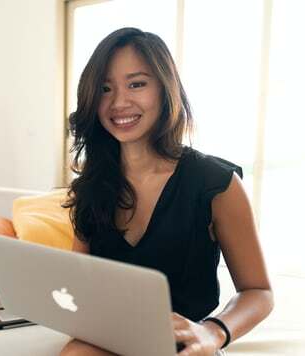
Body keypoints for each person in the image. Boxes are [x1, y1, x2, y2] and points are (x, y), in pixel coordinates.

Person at [59, 27, 274, 356]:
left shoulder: (215, 183)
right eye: (105, 88)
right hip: (114, 337)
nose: (119, 102)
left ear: (165, 88)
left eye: (137, 84)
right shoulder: (92, 184)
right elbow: (78, 281)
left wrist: (212, 333)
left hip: (186, 345)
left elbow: (258, 291)